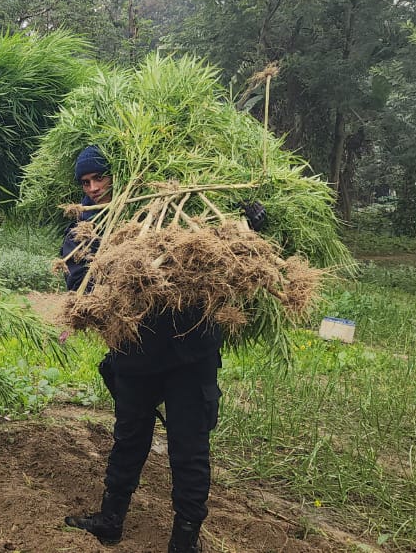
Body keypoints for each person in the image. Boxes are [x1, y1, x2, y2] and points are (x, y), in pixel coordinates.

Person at [61, 145, 266, 552]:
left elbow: (236, 261)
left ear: (118, 175)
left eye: (99, 177)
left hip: (192, 352)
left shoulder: (184, 208)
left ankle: (185, 538)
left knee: (189, 448)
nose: (94, 187)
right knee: (128, 438)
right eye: (85, 182)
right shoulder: (90, 224)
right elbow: (78, 281)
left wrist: (255, 227)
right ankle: (111, 519)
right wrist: (121, 268)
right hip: (135, 353)